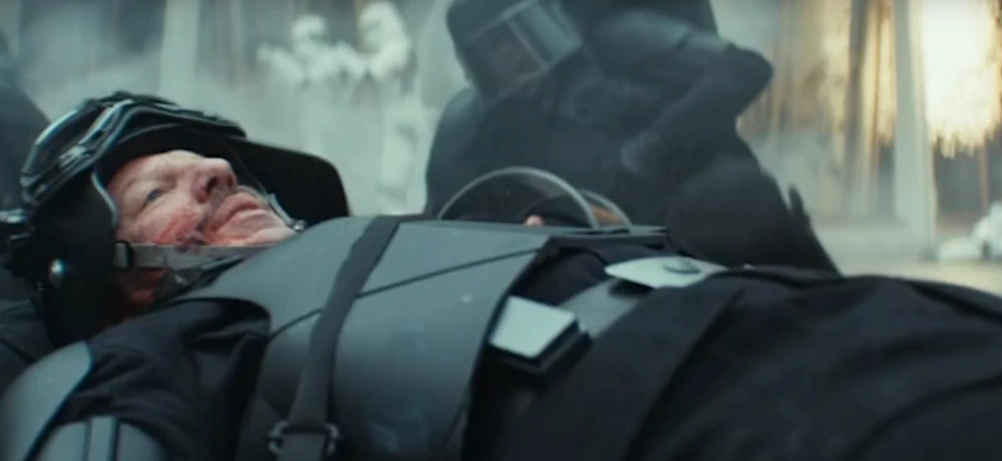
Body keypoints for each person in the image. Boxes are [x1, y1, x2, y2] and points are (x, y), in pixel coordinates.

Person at [3, 93, 1002, 461]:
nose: (219, 175)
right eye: (161, 189)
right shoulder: (148, 357)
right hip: (704, 418)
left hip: (832, 322)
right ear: (110, 281)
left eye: (217, 166)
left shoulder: (402, 238)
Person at [425, 0, 772, 225]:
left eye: (512, 35)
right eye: (490, 46)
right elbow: (446, 218)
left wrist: (649, 150)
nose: (507, 53)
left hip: (687, 228)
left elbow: (745, 69)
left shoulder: (614, 42)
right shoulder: (469, 124)